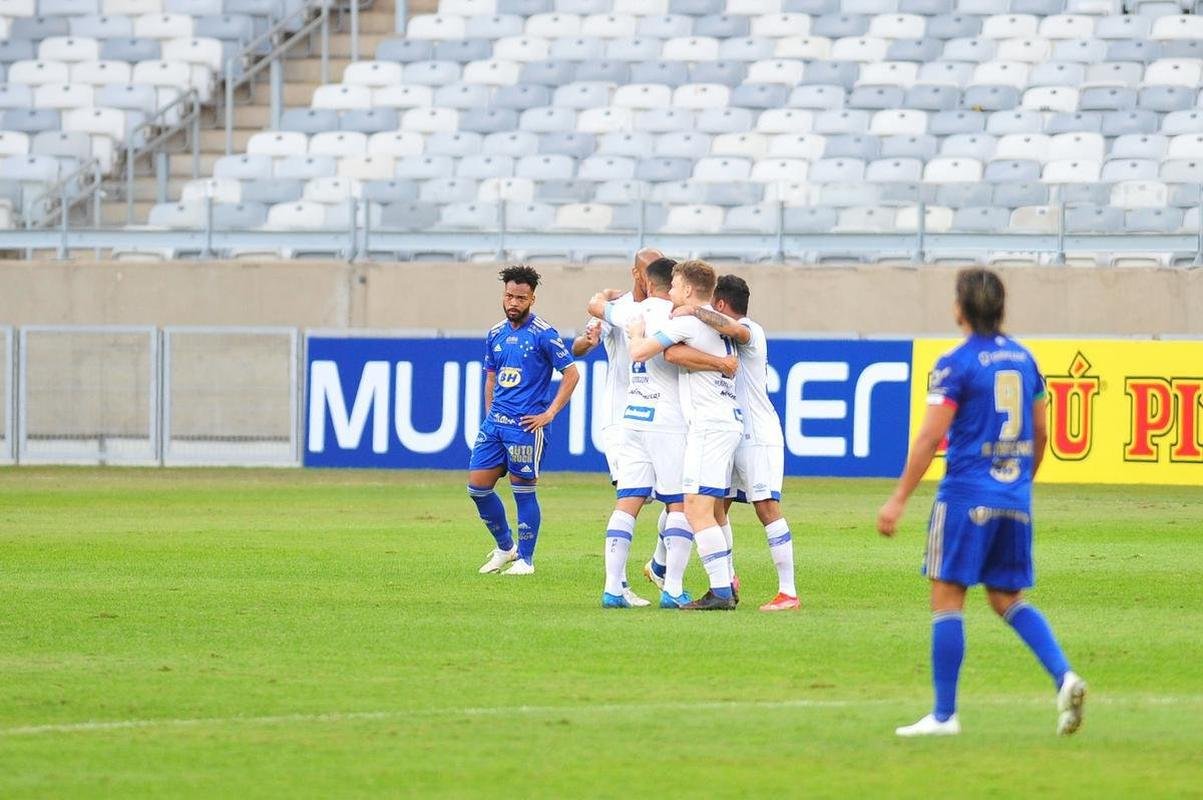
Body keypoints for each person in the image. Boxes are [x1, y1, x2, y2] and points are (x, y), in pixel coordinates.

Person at [876, 268, 1086, 737]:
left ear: (960, 309)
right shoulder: (1025, 359)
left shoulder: (955, 363)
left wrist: (898, 499)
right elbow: (1043, 433)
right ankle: (1064, 676)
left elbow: (931, 437)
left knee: (947, 596)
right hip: (1014, 497)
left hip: (966, 497)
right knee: (1006, 597)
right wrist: (1016, 487)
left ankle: (945, 716)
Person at [587, 258, 736, 609]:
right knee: (679, 504)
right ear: (668, 285)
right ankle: (672, 588)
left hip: (633, 415)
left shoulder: (630, 313)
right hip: (668, 421)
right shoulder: (675, 315)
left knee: (627, 502)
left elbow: (595, 306)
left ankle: (612, 588)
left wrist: (606, 296)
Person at [672, 274, 799, 612]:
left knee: (766, 507)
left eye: (713, 304)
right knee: (717, 506)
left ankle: (788, 592)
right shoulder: (717, 339)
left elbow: (735, 330)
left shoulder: (750, 330)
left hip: (758, 434)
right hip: (730, 432)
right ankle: (726, 581)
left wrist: (693, 310)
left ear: (722, 305)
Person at [628, 260, 744, 611]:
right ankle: (724, 585)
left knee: (695, 509)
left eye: (675, 286)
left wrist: (636, 330)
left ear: (689, 290)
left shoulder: (688, 321)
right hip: (723, 421)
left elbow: (639, 352)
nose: (671, 293)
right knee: (710, 510)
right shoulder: (717, 323)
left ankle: (721, 591)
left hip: (710, 425)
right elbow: (677, 354)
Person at [470, 266, 580, 576]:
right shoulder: (495, 334)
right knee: (477, 488)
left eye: (520, 297)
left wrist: (550, 413)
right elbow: (490, 378)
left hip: (525, 427)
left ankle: (526, 560)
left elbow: (571, 374)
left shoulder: (544, 334)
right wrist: (489, 414)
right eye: (509, 296)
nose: (513, 302)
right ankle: (506, 548)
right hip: (495, 426)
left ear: (532, 298)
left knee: (523, 491)